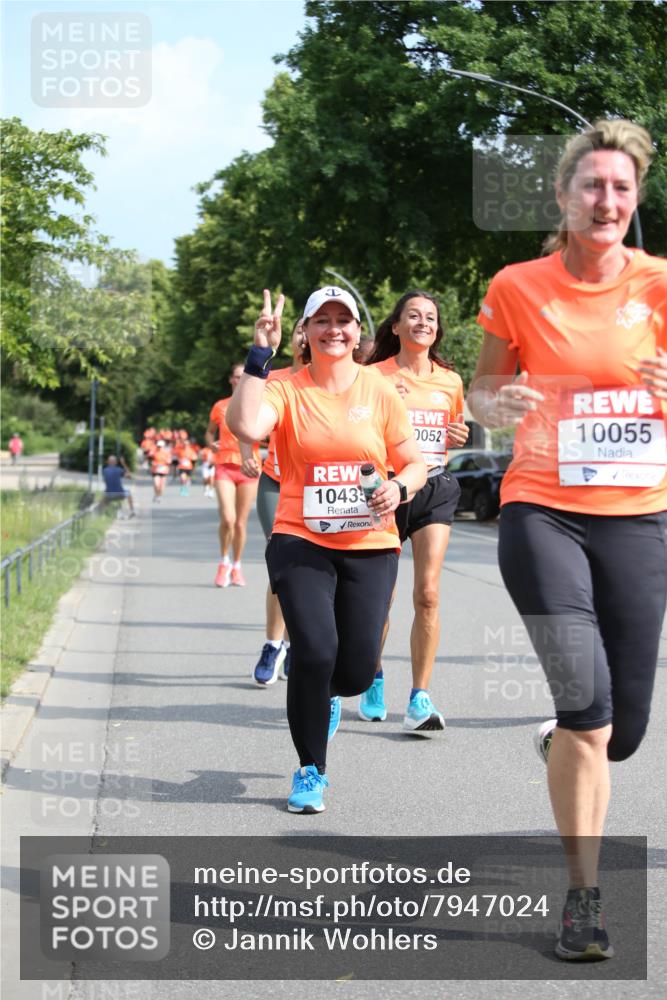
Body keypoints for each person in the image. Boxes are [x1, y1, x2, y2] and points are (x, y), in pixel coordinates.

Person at [467, 119, 667, 961]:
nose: (605, 201)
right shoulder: (517, 285)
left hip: (640, 517)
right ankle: (582, 899)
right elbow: (480, 391)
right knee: (587, 710)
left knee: (623, 730)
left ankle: (568, 742)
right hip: (542, 510)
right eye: (591, 185)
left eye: (620, 188)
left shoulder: (659, 283)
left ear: (635, 197)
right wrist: (495, 403)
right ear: (561, 195)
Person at [227, 286, 426, 814]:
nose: (334, 329)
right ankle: (310, 768)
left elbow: (415, 463)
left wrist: (399, 488)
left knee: (356, 670)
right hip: (301, 538)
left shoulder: (379, 389)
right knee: (315, 653)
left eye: (344, 320)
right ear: (306, 332)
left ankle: (328, 693)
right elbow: (244, 425)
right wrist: (259, 354)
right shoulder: (284, 387)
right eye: (322, 320)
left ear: (359, 332)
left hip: (370, 541)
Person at [360, 292, 469, 733]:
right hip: (387, 490)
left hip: (434, 487)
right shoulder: (372, 376)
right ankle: (373, 676)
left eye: (430, 318)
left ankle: (419, 698)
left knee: (428, 594)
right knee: (379, 599)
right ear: (396, 326)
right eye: (414, 316)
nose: (423, 322)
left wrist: (457, 435)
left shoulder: (451, 381)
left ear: (437, 330)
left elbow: (452, 432)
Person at [244, 319, 306, 686]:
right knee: (282, 563)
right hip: (276, 481)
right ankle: (272, 644)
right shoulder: (276, 379)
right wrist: (246, 452)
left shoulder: (336, 380)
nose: (304, 336)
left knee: (313, 569)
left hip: (315, 489)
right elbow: (246, 416)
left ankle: (298, 644)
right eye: (299, 329)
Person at [206, 365, 261, 587]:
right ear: (231, 380)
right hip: (224, 466)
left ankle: (237, 566)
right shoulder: (220, 406)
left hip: (249, 468)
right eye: (237, 377)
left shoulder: (259, 406)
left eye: (244, 376)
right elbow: (209, 432)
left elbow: (268, 433)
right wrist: (211, 444)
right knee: (227, 518)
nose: (240, 380)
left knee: (240, 523)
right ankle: (224, 562)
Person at [150, 439, 171, 503]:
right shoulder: (154, 452)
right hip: (155, 470)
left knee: (161, 486)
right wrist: (153, 463)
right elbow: (150, 460)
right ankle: (156, 494)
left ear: (163, 446)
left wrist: (167, 462)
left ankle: (159, 496)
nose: (159, 447)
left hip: (164, 470)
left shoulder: (166, 453)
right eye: (158, 446)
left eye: (160, 446)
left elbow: (169, 461)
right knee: (156, 484)